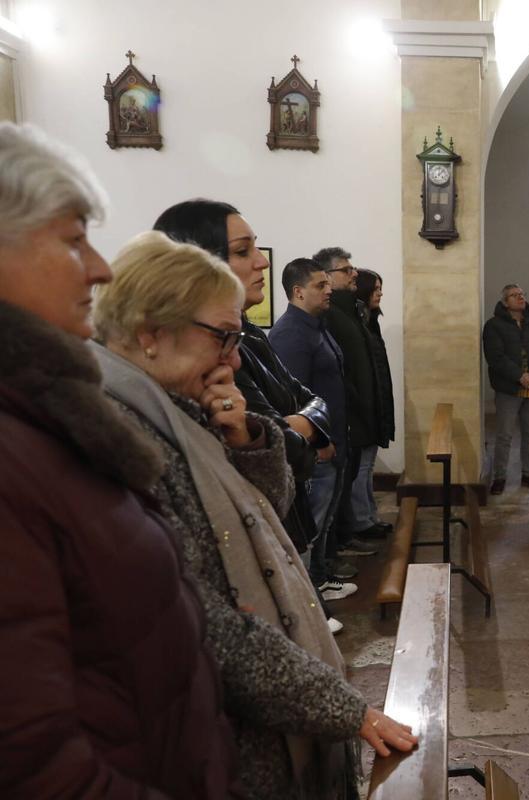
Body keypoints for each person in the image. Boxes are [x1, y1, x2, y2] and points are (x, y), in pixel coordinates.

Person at [91, 231, 417, 800]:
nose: (234, 358)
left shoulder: (175, 406)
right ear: (149, 335)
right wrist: (346, 709)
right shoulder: (119, 439)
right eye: (223, 337)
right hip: (226, 743)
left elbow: (265, 514)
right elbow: (203, 626)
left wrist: (245, 437)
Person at [0, 122, 236, 798]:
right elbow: (31, 761)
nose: (101, 268)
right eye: (74, 240)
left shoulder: (52, 417)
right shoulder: (25, 443)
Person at [153, 199, 360, 619]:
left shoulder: (251, 336)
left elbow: (307, 402)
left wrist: (302, 423)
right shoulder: (224, 352)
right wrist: (292, 431)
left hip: (280, 519)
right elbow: (283, 447)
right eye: (243, 251)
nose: (262, 264)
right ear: (199, 262)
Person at [269, 257, 362, 600]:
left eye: (327, 283)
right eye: (320, 286)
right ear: (297, 292)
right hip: (316, 446)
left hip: (334, 439)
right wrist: (318, 441)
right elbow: (293, 401)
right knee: (312, 523)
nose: (328, 291)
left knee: (325, 519)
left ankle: (320, 578)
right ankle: (308, 596)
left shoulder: (316, 326)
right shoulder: (290, 334)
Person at [312, 246, 383, 551]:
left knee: (351, 476)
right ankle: (335, 548)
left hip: (358, 412)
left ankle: (347, 534)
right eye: (346, 270)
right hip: (343, 417)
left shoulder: (350, 312)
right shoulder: (331, 316)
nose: (354, 273)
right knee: (334, 491)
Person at [482, 283, 529, 494]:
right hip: (508, 388)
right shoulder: (493, 325)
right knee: (504, 435)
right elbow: (495, 357)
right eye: (514, 295)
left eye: (522, 294)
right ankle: (500, 477)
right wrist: (519, 375)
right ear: (505, 302)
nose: (520, 298)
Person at [352, 268, 395, 534]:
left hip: (374, 404)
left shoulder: (370, 322)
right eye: (376, 289)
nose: (380, 293)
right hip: (364, 408)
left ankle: (369, 516)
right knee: (362, 467)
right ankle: (362, 521)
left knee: (367, 467)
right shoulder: (357, 324)